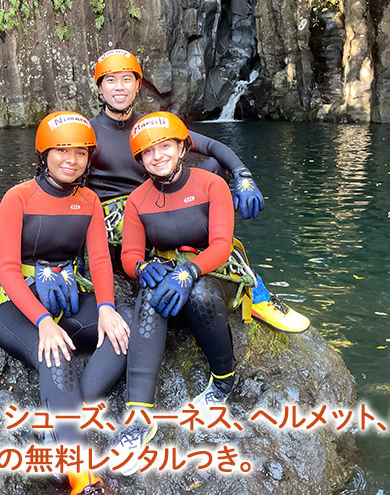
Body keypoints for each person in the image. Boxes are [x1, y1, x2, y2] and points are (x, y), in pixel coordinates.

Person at [87, 49, 309, 333]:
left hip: (160, 198)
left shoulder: (153, 126)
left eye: (127, 79)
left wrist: (242, 175)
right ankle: (250, 285)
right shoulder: (88, 131)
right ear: (100, 88)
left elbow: (214, 148)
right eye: (111, 80)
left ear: (138, 85)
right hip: (119, 214)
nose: (119, 87)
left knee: (215, 167)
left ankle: (234, 273)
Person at [0, 111, 131, 495]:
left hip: (67, 292)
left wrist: (106, 309)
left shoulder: (89, 201)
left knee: (124, 329)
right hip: (16, 304)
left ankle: (60, 419)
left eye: (80, 153)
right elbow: (9, 271)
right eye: (62, 150)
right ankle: (83, 478)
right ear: (43, 154)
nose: (71, 160)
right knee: (55, 353)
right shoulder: (17, 198)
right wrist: (43, 321)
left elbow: (99, 261)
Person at [112, 112, 241, 475]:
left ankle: (223, 382)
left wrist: (189, 270)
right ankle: (139, 418)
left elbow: (221, 245)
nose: (157, 156)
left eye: (165, 146)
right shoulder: (137, 200)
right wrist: (140, 269)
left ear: (183, 147)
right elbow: (130, 255)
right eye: (148, 152)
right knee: (149, 294)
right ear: (140, 159)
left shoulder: (210, 185)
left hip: (213, 271)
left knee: (200, 293)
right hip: (168, 272)